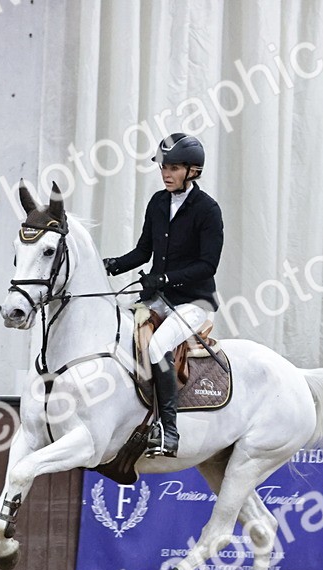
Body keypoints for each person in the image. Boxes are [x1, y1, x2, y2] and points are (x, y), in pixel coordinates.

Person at [103, 132, 223, 458]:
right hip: (159, 298)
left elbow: (207, 265)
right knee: (120, 330)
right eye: (163, 168)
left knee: (157, 346)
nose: (166, 173)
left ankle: (169, 430)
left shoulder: (207, 210)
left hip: (194, 302)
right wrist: (110, 265)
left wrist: (166, 276)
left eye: (173, 168)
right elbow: (143, 251)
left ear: (192, 171)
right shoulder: (158, 202)